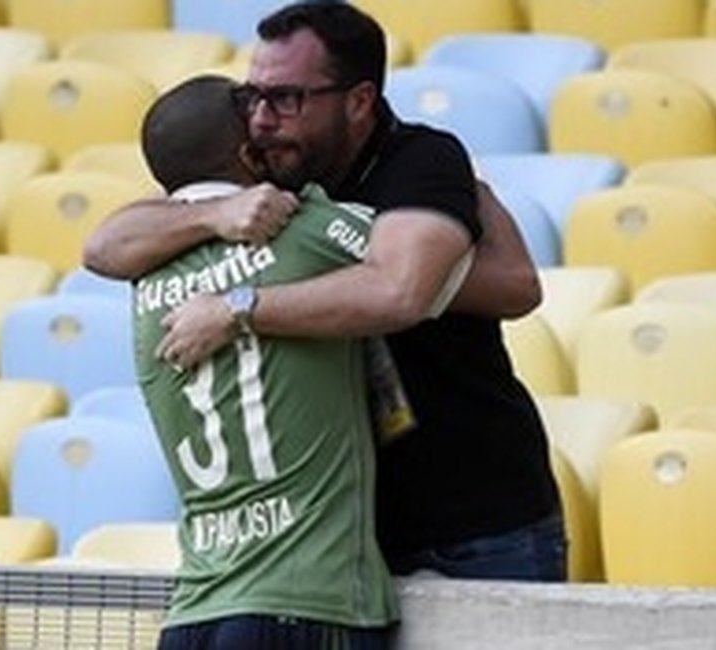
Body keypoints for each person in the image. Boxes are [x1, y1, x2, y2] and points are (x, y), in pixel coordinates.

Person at [85, 1, 566, 582]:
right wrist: (218, 213)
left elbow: (428, 290)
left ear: (359, 101)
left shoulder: (416, 161)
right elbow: (103, 247)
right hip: (345, 540)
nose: (261, 118)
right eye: (251, 96)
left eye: (286, 98)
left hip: (476, 522)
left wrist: (241, 308)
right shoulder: (265, 170)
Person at [134, 74, 410, 649]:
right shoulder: (303, 230)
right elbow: (423, 265)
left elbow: (102, 243)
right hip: (305, 599)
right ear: (247, 153)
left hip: (194, 609)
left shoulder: (143, 274)